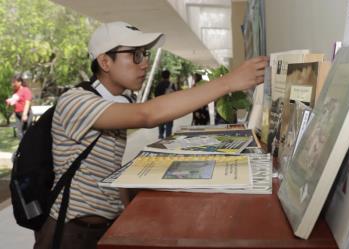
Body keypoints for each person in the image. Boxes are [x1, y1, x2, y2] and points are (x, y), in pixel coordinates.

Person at [33, 21, 267, 249]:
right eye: (135, 55)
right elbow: (147, 115)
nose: (144, 63)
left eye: (145, 54)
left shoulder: (118, 101)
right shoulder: (75, 101)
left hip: (106, 225)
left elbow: (113, 169)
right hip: (71, 232)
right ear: (105, 61)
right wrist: (227, 83)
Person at [6, 74, 33, 140]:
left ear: (20, 82)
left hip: (26, 114)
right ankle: (22, 149)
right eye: (12, 82)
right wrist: (9, 102)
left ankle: (29, 149)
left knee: (27, 133)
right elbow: (15, 102)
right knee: (20, 134)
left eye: (14, 82)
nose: (13, 84)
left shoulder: (25, 90)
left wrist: (24, 114)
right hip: (17, 114)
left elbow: (27, 102)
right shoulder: (15, 91)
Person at [154, 69, 176, 138]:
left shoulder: (159, 85)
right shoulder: (171, 85)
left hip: (161, 107)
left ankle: (161, 135)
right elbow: (175, 96)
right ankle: (168, 137)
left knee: (161, 122)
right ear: (169, 76)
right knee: (169, 124)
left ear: (162, 76)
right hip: (169, 107)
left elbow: (156, 95)